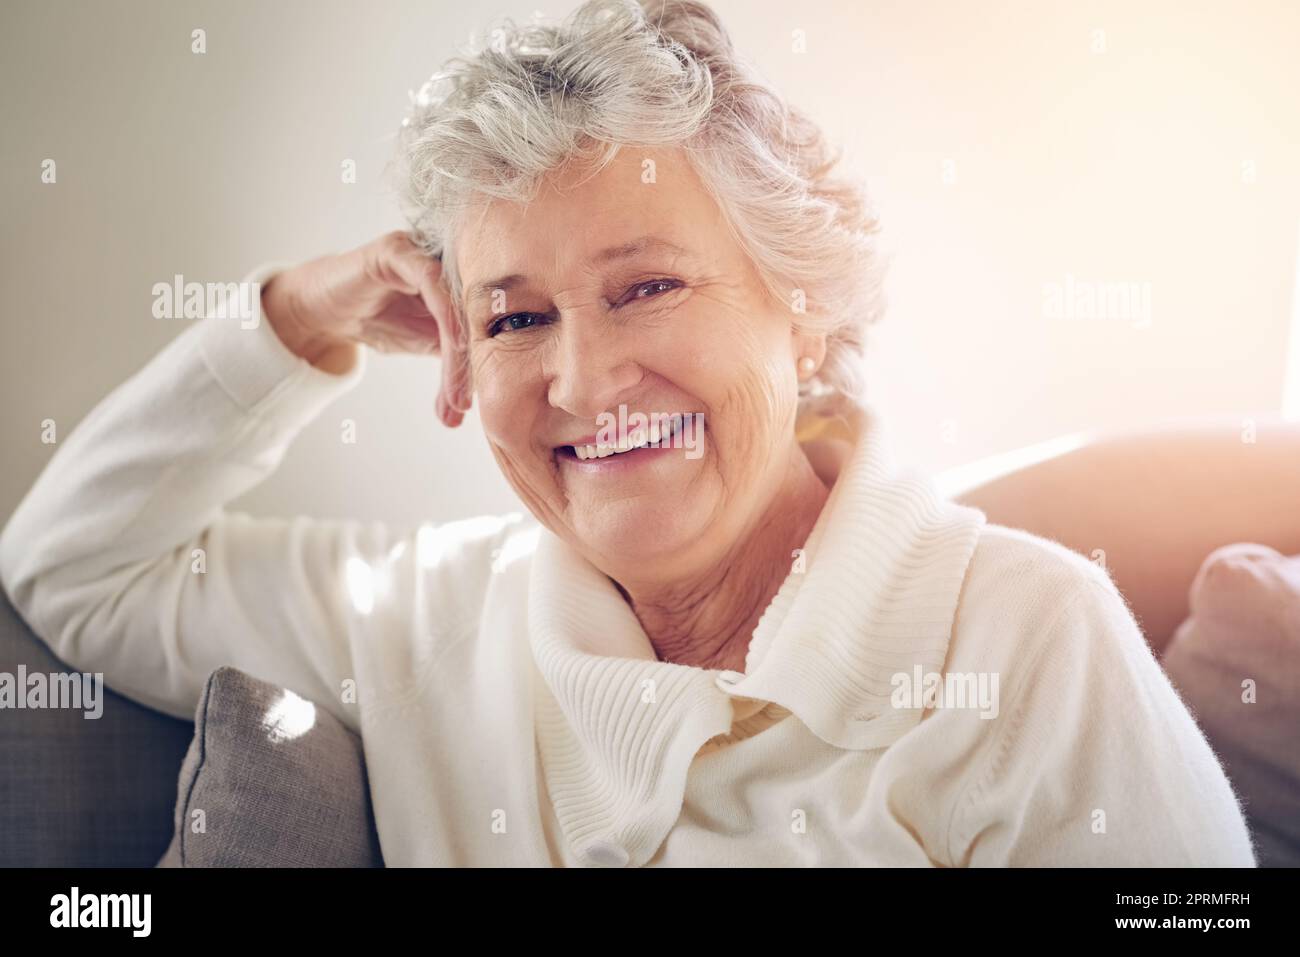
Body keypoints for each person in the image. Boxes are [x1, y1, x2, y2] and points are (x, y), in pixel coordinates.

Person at [0, 0, 1255, 866]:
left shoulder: (1027, 638)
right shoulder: (421, 623)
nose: (587, 379)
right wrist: (298, 316)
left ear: (802, 312)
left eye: (648, 287)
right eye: (515, 318)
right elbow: (79, 567)